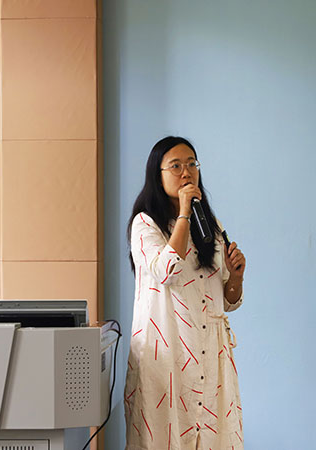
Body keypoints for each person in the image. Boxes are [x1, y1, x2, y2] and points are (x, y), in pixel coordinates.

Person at [124, 136, 246, 449]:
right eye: (175, 166)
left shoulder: (210, 225)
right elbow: (167, 269)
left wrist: (236, 277)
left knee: (215, 438)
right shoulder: (145, 224)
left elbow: (228, 300)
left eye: (192, 164)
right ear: (157, 175)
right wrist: (183, 214)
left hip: (210, 355)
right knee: (164, 439)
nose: (186, 172)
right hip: (167, 356)